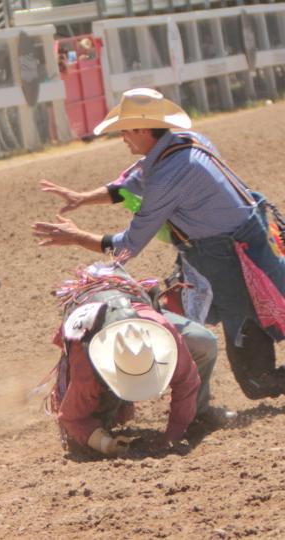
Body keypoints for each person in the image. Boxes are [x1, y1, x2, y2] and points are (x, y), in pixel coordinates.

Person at [32, 87, 285, 400]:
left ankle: (210, 387)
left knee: (253, 376)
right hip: (232, 243)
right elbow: (132, 181)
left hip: (225, 255)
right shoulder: (186, 144)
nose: (122, 137)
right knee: (175, 307)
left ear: (141, 129)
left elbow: (129, 245)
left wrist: (75, 237)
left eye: (124, 131)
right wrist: (84, 199)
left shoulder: (168, 177)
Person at [48, 262, 217, 457]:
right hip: (87, 319)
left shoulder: (165, 333)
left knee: (203, 343)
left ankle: (199, 414)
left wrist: (174, 434)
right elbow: (71, 418)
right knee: (85, 432)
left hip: (132, 302)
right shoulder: (86, 365)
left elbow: (187, 381)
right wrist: (105, 444)